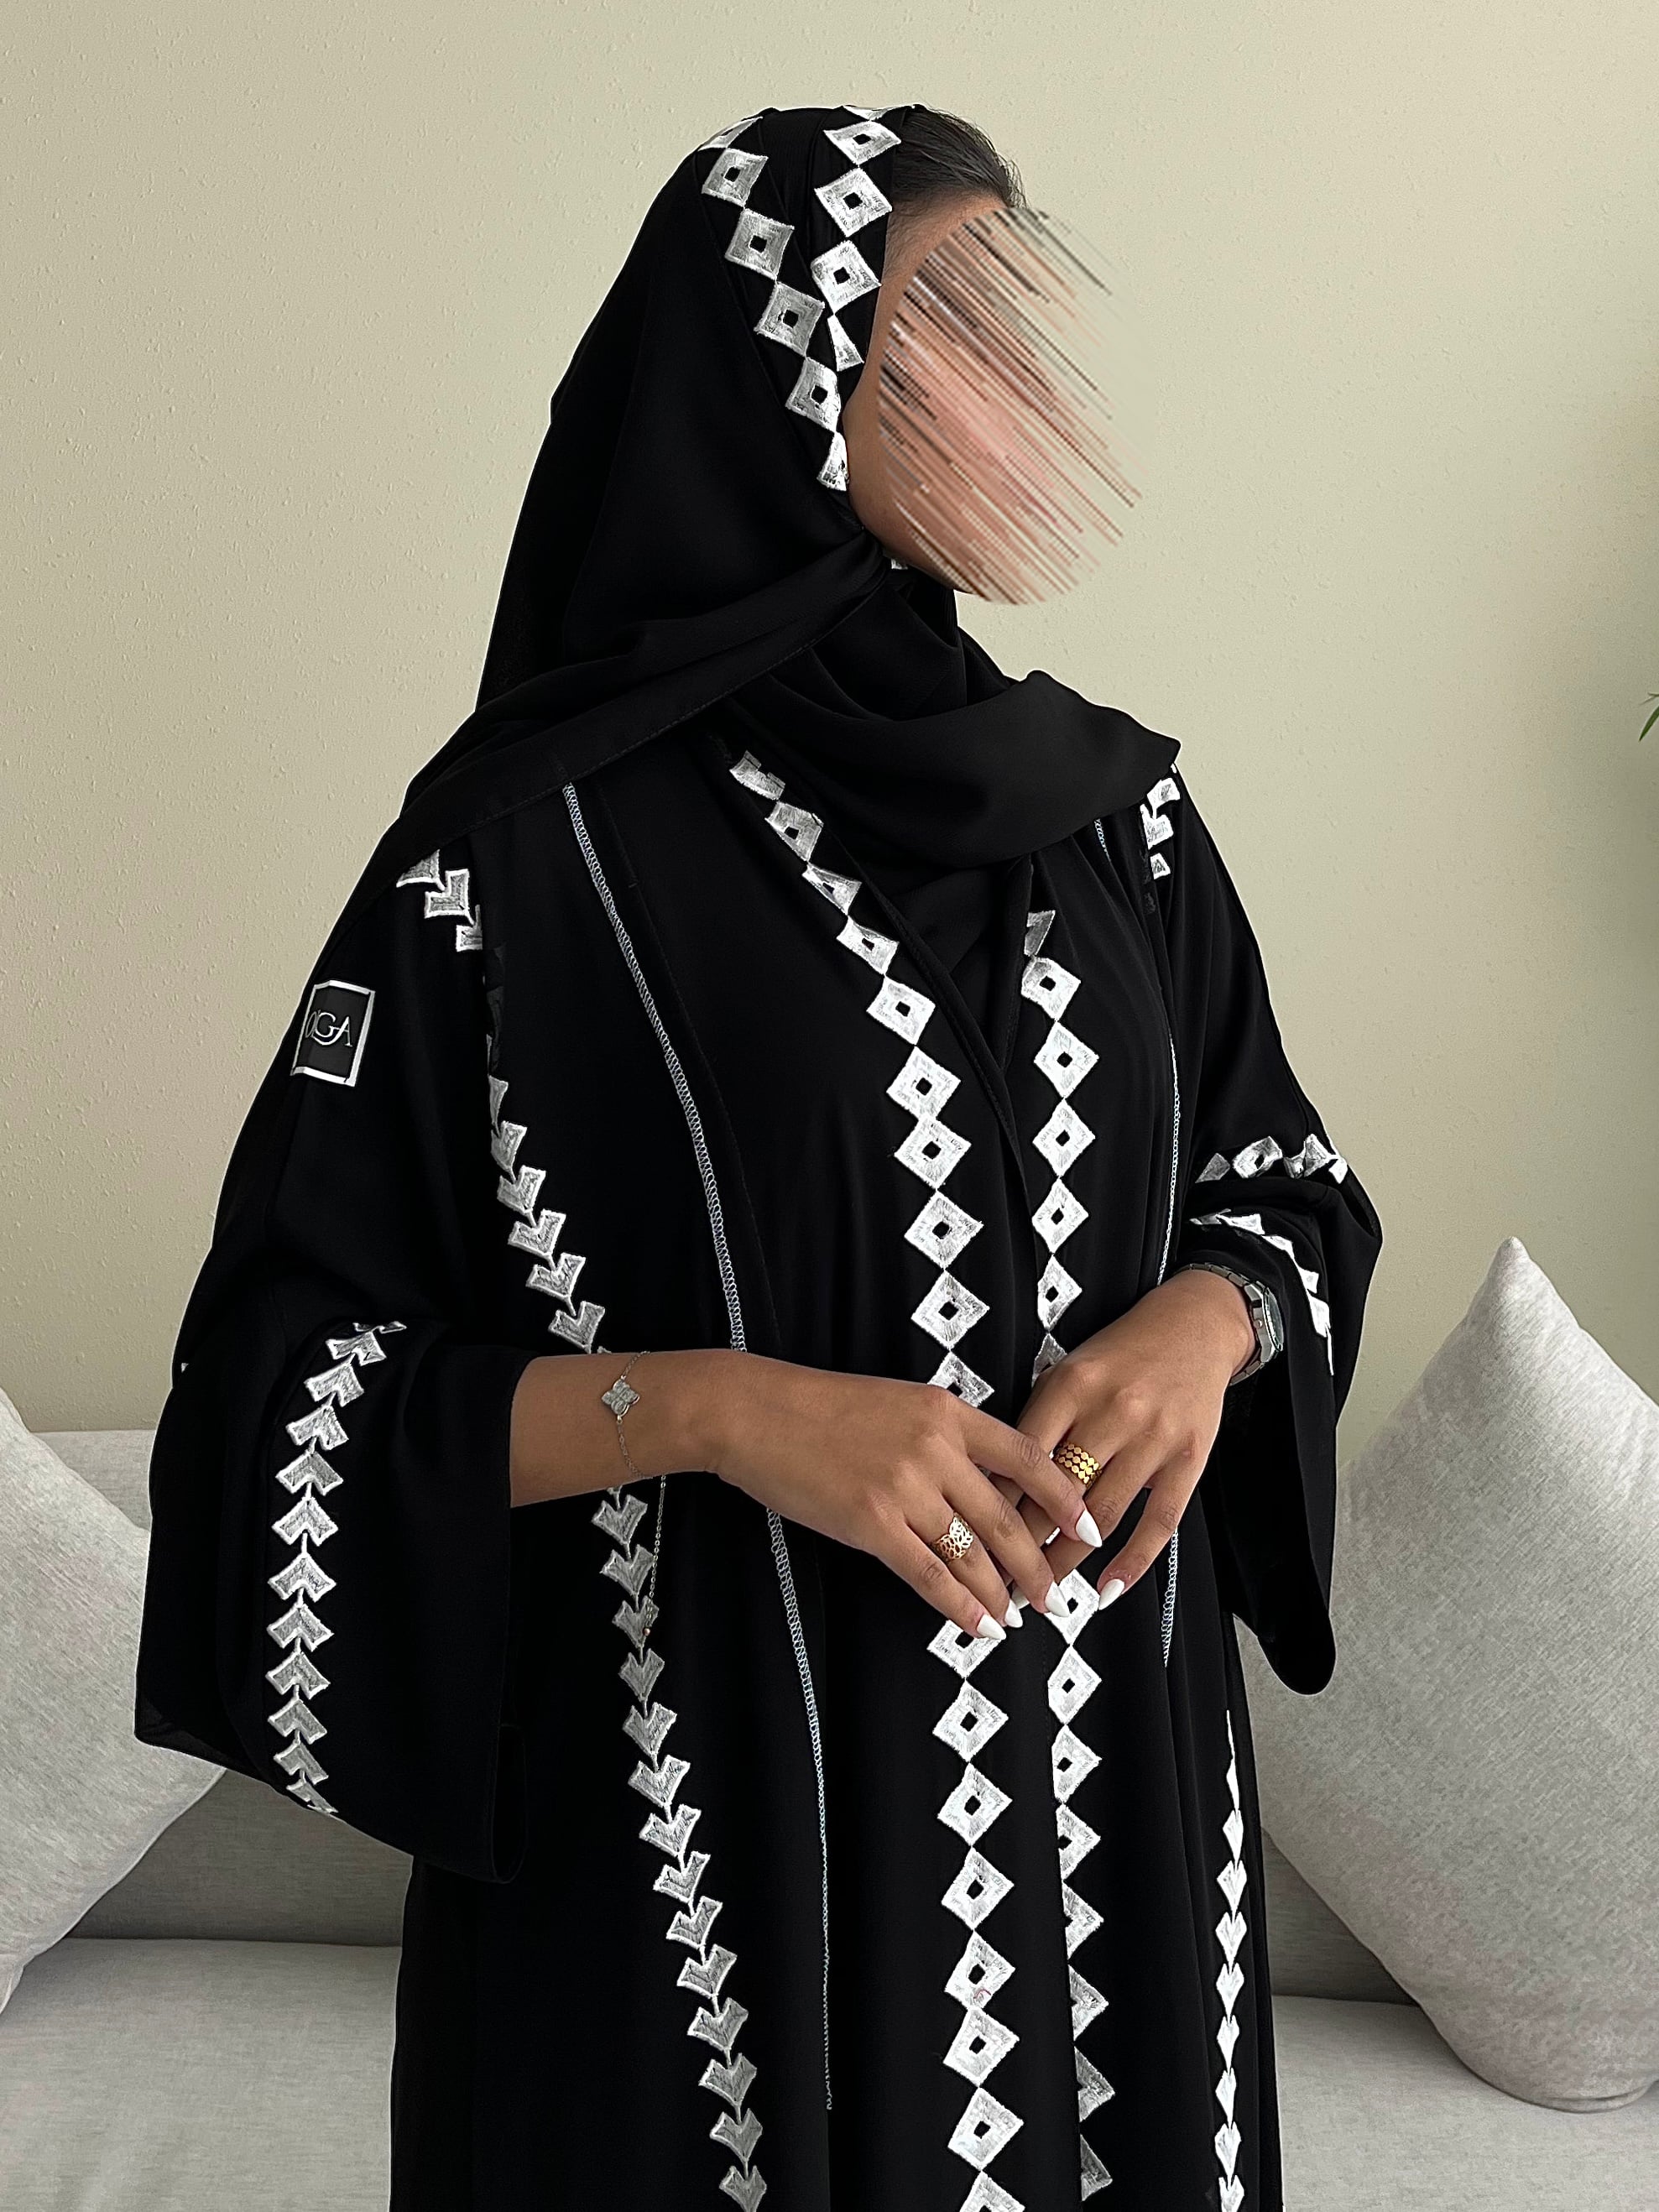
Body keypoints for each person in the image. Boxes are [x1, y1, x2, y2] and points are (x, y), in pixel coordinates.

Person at [134, 101, 1383, 2212]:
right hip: (688, 1881)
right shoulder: (508, 869)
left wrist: (1214, 1315)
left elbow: (1284, 1184)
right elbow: (273, 1405)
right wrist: (718, 1413)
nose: (1014, 394)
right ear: (776, 377)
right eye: (943, 332)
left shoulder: (1117, 823)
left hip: (1110, 1846)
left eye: (1016, 325)